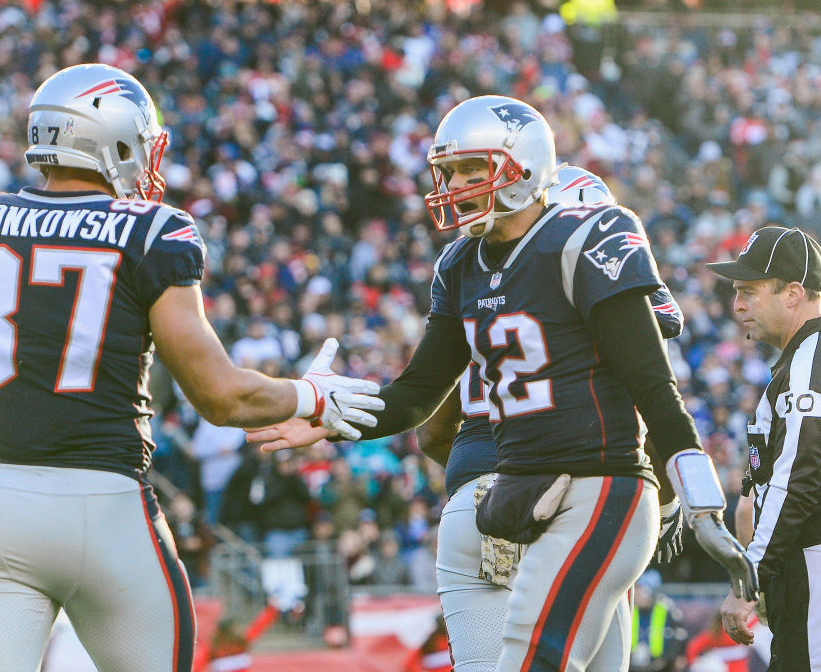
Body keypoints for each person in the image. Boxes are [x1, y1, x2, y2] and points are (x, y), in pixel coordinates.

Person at [0, 63, 383, 672]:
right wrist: (311, 397)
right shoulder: (151, 232)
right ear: (111, 140)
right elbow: (222, 398)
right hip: (107, 505)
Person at [247, 95, 756, 671]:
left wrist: (703, 504)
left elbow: (654, 388)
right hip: (519, 488)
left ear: (525, 165)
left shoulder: (586, 232)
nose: (457, 185)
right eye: (450, 172)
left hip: (601, 485)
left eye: (472, 169)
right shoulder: (462, 263)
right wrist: (324, 411)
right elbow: (416, 396)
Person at [413, 165, 687, 671]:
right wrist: (665, 503)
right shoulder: (584, 272)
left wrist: (474, 482)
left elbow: (429, 429)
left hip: (478, 501)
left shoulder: (478, 281)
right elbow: (642, 398)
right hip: (578, 494)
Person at [708, 225, 821, 671]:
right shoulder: (799, 361)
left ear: (793, 292)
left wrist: (747, 581)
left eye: (749, 291)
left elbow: (798, 480)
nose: (737, 305)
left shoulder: (810, 359)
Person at [630, 569, 687, 672]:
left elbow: (679, 635)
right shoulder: (630, 610)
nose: (635, 593)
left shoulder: (666, 609)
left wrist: (675, 657)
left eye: (639, 589)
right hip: (633, 666)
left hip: (661, 666)